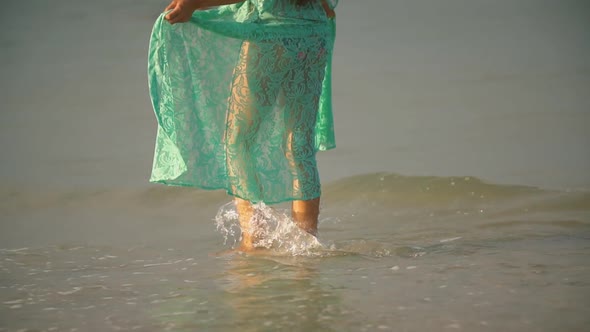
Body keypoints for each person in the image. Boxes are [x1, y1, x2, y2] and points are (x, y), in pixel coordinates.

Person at [148, 0, 337, 251]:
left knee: (238, 140)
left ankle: (253, 240)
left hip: (273, 32)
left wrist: (195, 3)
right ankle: (308, 243)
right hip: (314, 34)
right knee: (298, 144)